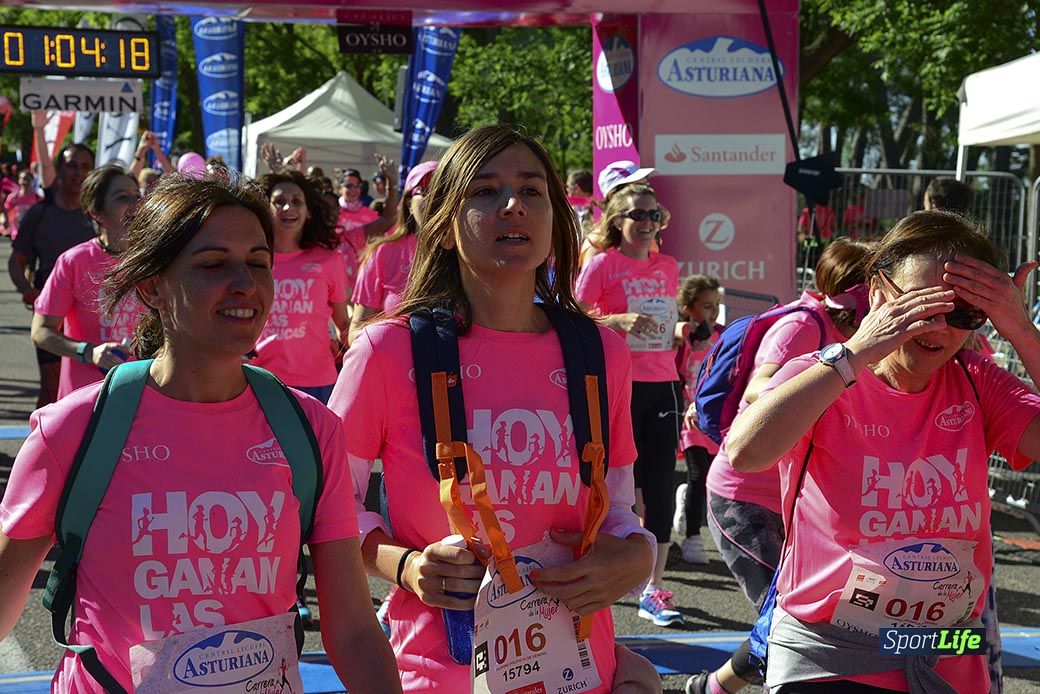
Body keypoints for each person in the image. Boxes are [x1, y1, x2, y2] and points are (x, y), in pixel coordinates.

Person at [0, 174, 400, 693]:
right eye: (213, 264)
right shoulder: (73, 430)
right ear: (151, 285)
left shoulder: (311, 428)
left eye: (258, 262)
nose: (245, 283)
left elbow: (351, 628)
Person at [329, 124, 657, 691]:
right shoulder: (386, 351)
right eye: (484, 191)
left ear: (556, 220)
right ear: (446, 226)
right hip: (437, 673)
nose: (512, 205)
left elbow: (619, 510)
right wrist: (402, 566)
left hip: (579, 672)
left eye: (532, 192)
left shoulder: (602, 351)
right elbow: (327, 512)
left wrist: (637, 557)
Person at [726, 210, 1040, 693]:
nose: (938, 327)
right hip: (827, 649)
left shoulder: (978, 383)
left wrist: (1021, 330)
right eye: (919, 306)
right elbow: (744, 453)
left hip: (948, 648)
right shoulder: (823, 375)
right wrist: (854, 354)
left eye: (962, 312)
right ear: (877, 293)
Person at [686, 238, 874, 694]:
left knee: (785, 620)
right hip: (742, 496)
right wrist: (829, 380)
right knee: (790, 625)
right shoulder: (803, 326)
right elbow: (759, 391)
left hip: (795, 506)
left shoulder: (848, 331)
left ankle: (711, 688)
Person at [575, 182, 683, 627]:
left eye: (653, 215)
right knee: (615, 483)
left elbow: (667, 321)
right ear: (616, 220)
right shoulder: (602, 264)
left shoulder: (670, 266)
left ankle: (653, 588)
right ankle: (596, 567)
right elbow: (572, 316)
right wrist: (614, 320)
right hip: (616, 385)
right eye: (637, 215)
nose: (646, 223)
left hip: (664, 383)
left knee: (658, 484)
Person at [30, 166, 141, 400]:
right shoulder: (74, 261)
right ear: (96, 212)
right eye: (123, 197)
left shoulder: (155, 261)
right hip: (83, 402)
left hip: (141, 396)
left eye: (137, 194)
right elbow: (41, 331)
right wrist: (88, 352)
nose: (136, 203)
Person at [8, 143, 96, 408]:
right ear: (58, 170)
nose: (78, 172)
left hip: (92, 317)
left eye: (85, 166)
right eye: (71, 165)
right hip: (52, 317)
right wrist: (27, 289)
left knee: (91, 392)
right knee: (51, 387)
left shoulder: (100, 214)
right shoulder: (40, 212)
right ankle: (41, 445)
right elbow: (16, 260)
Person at [251, 171, 349, 404]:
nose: (288, 207)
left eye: (297, 201)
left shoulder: (329, 260)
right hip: (259, 378)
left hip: (318, 382)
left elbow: (343, 324)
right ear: (266, 209)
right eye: (279, 202)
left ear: (309, 211)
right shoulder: (251, 259)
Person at [348, 159, 437, 341]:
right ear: (409, 204)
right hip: (395, 367)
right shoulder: (382, 253)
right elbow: (355, 333)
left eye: (444, 191)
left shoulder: (475, 253)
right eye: (425, 190)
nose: (435, 198)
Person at [671, 274, 722, 566]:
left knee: (711, 479)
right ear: (689, 307)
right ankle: (692, 538)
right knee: (698, 474)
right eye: (706, 305)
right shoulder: (681, 338)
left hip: (713, 418)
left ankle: (685, 498)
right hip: (687, 416)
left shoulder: (724, 335)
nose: (713, 311)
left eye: (716, 304)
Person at [3, 168, 42, 239]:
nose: (25, 181)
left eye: (28, 179)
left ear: (32, 181)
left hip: (34, 235)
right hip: (17, 234)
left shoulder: (38, 198)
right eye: (23, 179)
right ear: (19, 180)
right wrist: (6, 220)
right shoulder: (13, 197)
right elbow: (6, 209)